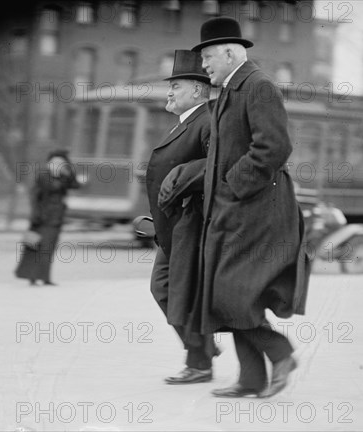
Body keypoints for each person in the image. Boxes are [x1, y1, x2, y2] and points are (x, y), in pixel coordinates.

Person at [189, 17, 311, 398]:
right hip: (237, 208)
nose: (204, 65)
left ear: (229, 53)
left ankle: (281, 353)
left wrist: (231, 187)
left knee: (232, 293)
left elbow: (273, 147)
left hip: (257, 209)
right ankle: (252, 378)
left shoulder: (257, 87)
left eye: (208, 57)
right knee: (232, 293)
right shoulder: (231, 89)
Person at [145, 50, 220, 385]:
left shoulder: (207, 122)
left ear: (197, 90)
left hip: (192, 227)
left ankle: (200, 358)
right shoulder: (186, 122)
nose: (170, 92)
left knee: (171, 290)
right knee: (168, 290)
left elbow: (217, 169)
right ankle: (200, 352)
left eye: (176, 85)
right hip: (173, 228)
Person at [15, 150, 80, 286]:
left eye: (62, 163)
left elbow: (75, 184)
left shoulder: (61, 175)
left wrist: (68, 169)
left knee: (48, 248)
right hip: (43, 218)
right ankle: (33, 276)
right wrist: (36, 216)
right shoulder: (45, 175)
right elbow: (38, 195)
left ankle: (44, 277)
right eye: (57, 162)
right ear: (50, 163)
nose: (60, 165)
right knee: (37, 247)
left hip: (55, 218)